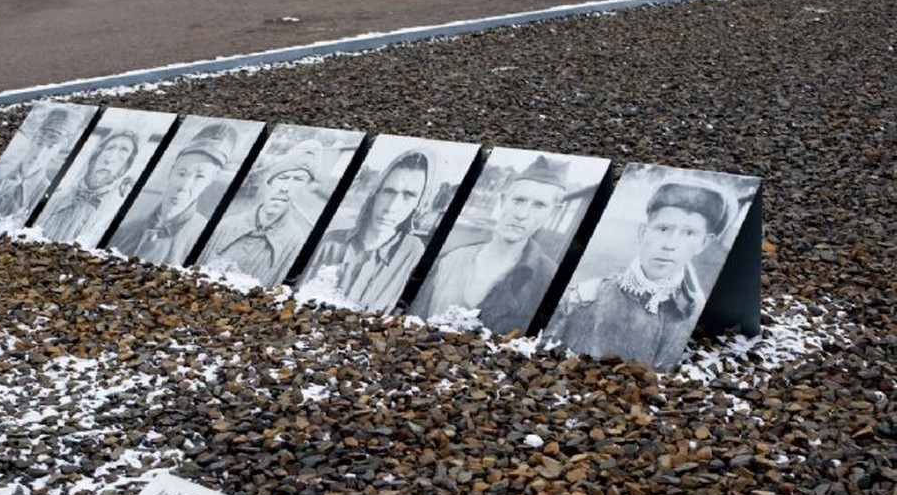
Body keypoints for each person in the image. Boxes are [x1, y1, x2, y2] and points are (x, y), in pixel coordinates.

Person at [544, 181, 732, 371]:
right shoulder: (580, 299)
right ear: (643, 232)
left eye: (689, 233)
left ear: (703, 243)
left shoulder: (701, 314)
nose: (670, 244)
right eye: (663, 229)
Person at [411, 155, 569, 335]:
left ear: (553, 212)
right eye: (518, 200)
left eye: (539, 205)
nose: (522, 214)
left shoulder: (549, 278)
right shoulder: (450, 261)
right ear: (503, 201)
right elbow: (414, 322)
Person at [303, 150, 430, 311]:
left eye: (409, 195)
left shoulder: (413, 252)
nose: (391, 208)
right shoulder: (331, 243)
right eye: (388, 191)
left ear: (419, 204)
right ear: (376, 193)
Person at [199, 139, 322, 286]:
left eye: (298, 180)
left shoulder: (296, 245)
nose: (285, 188)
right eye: (282, 177)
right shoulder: (226, 226)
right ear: (269, 182)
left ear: (305, 188)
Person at [111, 124, 237, 265]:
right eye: (182, 173)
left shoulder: (206, 243)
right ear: (171, 171)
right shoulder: (126, 229)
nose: (183, 186)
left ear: (210, 181)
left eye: (200, 176)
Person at [0, 106, 78, 225]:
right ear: (33, 140)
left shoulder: (45, 195)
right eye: (39, 143)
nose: (39, 154)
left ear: (58, 152)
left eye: (50, 147)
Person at [37, 129, 139, 244]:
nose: (109, 160)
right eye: (109, 148)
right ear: (94, 159)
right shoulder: (57, 196)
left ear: (125, 168)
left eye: (123, 151)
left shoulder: (113, 213)